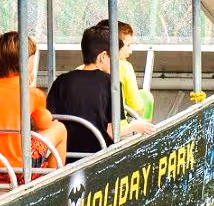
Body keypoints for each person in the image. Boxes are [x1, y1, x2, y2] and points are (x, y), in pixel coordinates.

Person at [0, 31, 68, 180]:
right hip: (16, 172)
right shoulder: (32, 93)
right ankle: (54, 182)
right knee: (59, 128)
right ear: (26, 62)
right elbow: (44, 123)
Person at [48, 24, 156, 157]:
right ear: (103, 56)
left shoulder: (61, 81)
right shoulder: (111, 83)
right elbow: (112, 133)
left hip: (66, 156)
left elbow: (51, 120)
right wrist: (135, 126)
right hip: (98, 156)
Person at [114, 20, 155, 121]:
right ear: (114, 45)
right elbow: (136, 108)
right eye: (128, 45)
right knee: (146, 97)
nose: (130, 51)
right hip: (118, 129)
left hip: (86, 129)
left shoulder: (79, 70)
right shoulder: (124, 67)